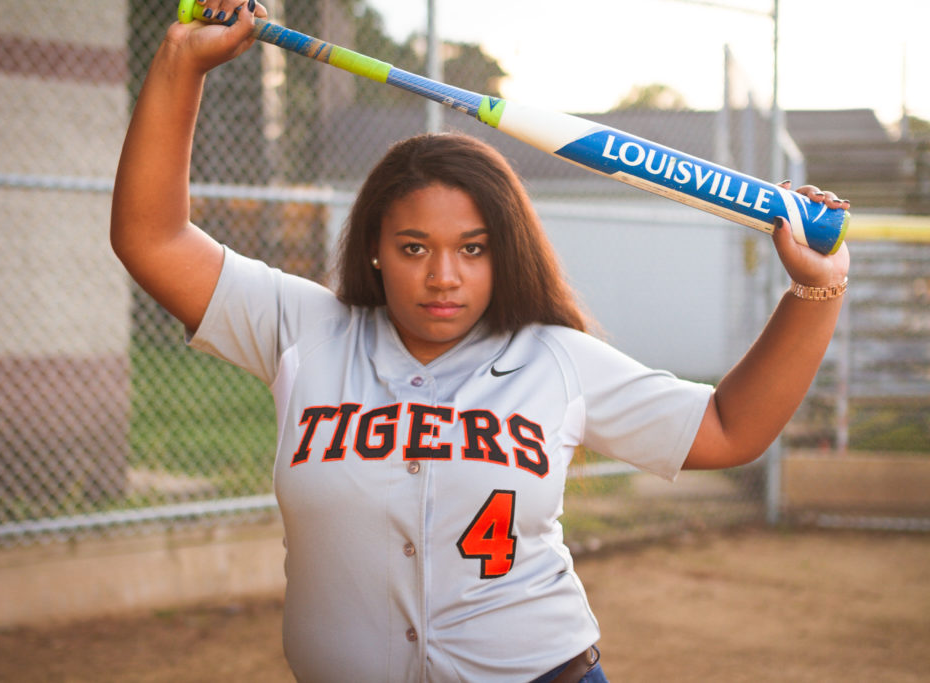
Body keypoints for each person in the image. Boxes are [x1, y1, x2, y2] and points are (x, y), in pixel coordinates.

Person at [110, 2, 851, 681]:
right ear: (373, 248)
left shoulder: (554, 357)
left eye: (472, 248)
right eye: (412, 247)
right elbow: (152, 237)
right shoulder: (303, 329)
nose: (442, 276)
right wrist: (183, 62)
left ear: (507, 250)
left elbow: (729, 427)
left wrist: (817, 292)